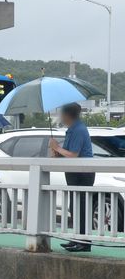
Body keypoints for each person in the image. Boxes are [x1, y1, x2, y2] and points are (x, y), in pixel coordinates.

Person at [49, 102, 93, 253]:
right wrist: (56, 151)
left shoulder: (79, 129)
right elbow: (66, 154)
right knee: (75, 207)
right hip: (74, 172)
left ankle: (84, 242)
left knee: (82, 206)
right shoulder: (71, 130)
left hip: (83, 173)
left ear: (68, 115)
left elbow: (74, 154)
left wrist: (58, 148)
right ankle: (76, 239)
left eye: (61, 113)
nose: (60, 116)